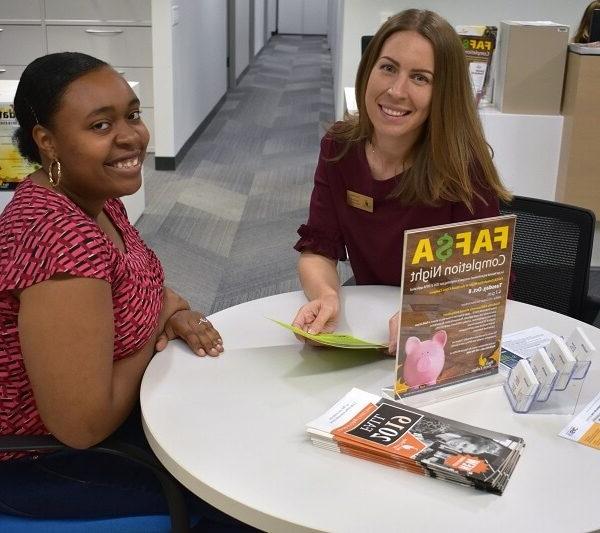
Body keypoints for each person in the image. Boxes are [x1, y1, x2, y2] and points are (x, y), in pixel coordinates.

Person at [0, 52, 249, 529]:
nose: (131, 135)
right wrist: (159, 317)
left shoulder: (95, 199)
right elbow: (82, 428)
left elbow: (132, 285)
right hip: (46, 466)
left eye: (132, 115)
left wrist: (168, 310)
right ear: (47, 141)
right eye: (99, 126)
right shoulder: (60, 245)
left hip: (123, 420)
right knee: (240, 492)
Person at [292, 9, 511, 353]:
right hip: (370, 328)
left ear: (443, 93)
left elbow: (488, 279)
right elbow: (319, 247)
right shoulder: (339, 148)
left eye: (421, 78)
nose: (396, 90)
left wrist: (425, 314)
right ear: (368, 70)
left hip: (439, 342)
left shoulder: (462, 167)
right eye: (388, 67)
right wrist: (326, 295)